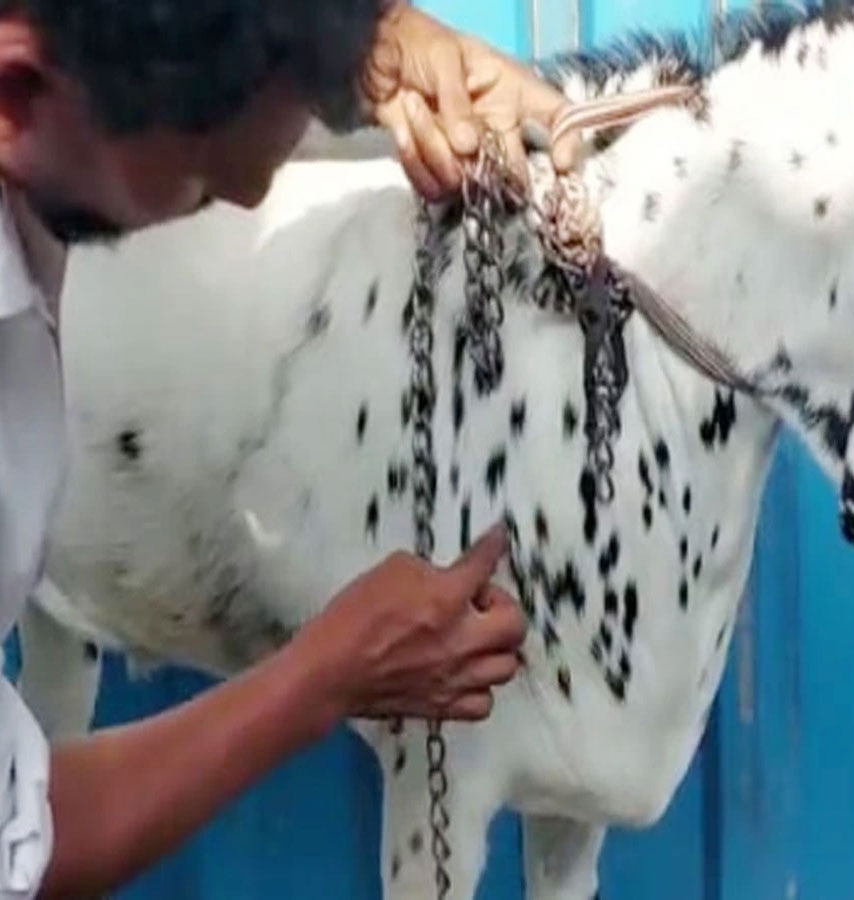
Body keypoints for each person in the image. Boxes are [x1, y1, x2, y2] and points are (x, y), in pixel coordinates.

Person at [0, 2, 580, 897]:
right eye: (201, 179)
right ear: (17, 96)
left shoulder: (72, 99)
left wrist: (368, 41)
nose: (252, 199)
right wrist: (322, 676)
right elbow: (21, 837)